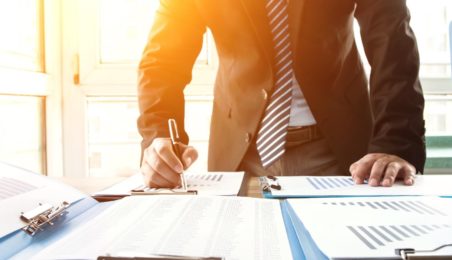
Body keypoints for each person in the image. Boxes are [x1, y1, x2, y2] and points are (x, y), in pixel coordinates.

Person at [137, 0, 426, 189]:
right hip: (240, 156)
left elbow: (391, 39)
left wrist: (395, 143)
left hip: (343, 155)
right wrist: (159, 137)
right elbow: (163, 61)